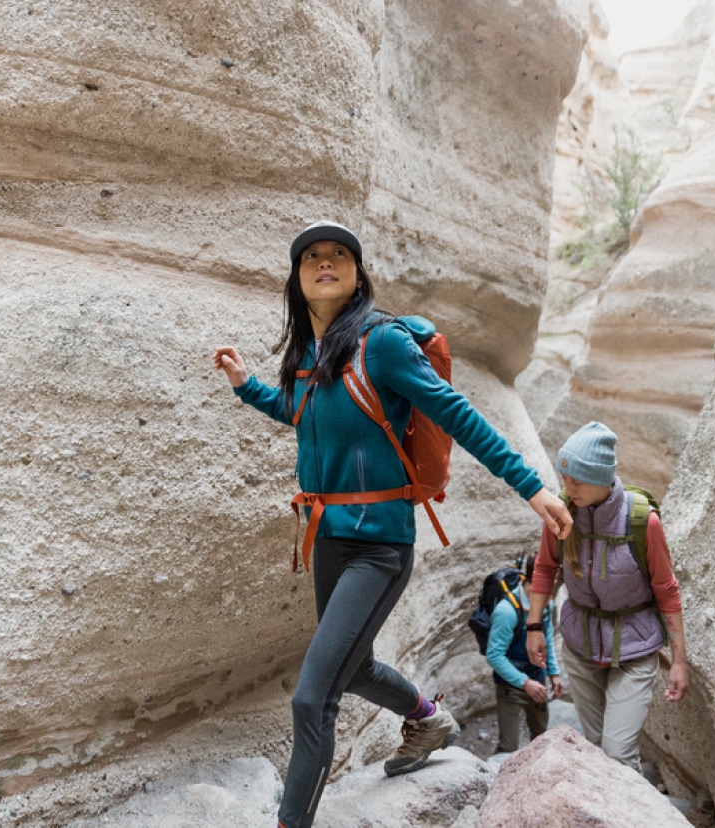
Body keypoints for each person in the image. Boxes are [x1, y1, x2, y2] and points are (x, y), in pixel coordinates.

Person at [213, 220, 573, 828]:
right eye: (312, 258)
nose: (325, 262)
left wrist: (529, 484)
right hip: (326, 538)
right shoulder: (307, 352)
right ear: (297, 281)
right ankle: (427, 718)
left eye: (339, 255)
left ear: (358, 276)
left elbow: (456, 413)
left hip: (379, 547)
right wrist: (248, 386)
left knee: (312, 697)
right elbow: (300, 414)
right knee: (351, 668)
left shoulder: (382, 343)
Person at [525, 421, 687, 773]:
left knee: (617, 751)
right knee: (597, 749)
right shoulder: (560, 515)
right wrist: (534, 625)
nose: (567, 488)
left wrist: (679, 660)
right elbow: (545, 568)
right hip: (581, 647)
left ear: (601, 478)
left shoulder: (643, 522)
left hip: (635, 647)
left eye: (576, 481)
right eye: (564, 478)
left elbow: (667, 590)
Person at [484, 554, 563, 753]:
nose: (557, 586)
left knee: (542, 740)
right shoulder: (506, 611)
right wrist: (525, 683)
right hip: (511, 687)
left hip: (537, 676)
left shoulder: (547, 604)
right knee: (508, 747)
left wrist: (553, 673)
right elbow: (494, 655)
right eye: (554, 581)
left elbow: (547, 640)